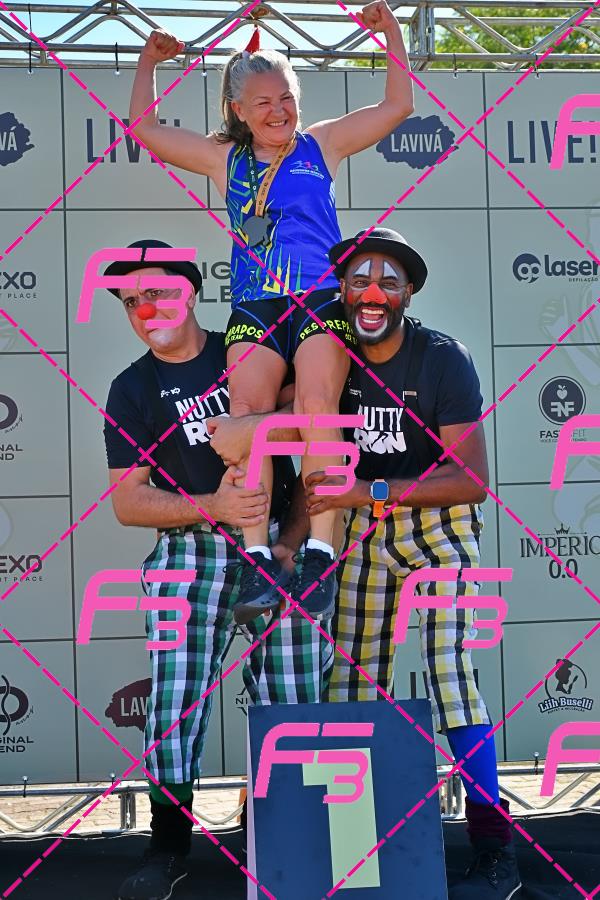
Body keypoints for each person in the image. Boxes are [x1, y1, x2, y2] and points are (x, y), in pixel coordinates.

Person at [128, 1, 414, 626]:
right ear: (237, 109)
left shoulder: (321, 144)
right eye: (263, 102)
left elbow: (398, 106)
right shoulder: (223, 158)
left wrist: (392, 32)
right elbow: (144, 129)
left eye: (286, 97)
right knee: (246, 417)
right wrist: (149, 62)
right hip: (256, 304)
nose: (279, 110)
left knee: (316, 407)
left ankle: (318, 554)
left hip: (319, 297)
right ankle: (257, 557)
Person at [102, 240, 333, 900]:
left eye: (158, 292)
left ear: (191, 290)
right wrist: (214, 505)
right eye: (131, 301)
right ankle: (169, 844)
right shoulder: (132, 388)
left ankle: (285, 837)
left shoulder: (245, 350)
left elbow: (317, 426)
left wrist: (294, 537)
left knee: (294, 691)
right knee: (174, 697)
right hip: (192, 544)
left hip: (279, 540)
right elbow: (127, 501)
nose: (146, 309)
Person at [303, 227, 522, 899]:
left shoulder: (442, 359)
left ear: (408, 294)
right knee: (350, 680)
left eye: (388, 282)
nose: (372, 293)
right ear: (343, 291)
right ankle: (358, 839)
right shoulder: (328, 352)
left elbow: (471, 479)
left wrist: (369, 491)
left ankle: (493, 844)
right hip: (365, 528)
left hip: (437, 521)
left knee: (449, 669)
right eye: (359, 280)